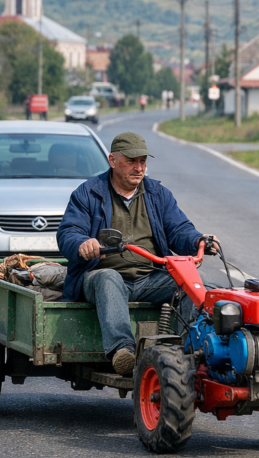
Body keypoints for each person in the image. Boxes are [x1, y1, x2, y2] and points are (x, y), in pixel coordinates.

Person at [57, 132, 217, 375]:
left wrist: (198, 240)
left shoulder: (157, 194)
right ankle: (123, 351)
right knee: (108, 278)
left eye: (142, 161)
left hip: (150, 278)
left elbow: (179, 229)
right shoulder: (88, 193)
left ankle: (187, 351)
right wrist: (82, 244)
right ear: (112, 160)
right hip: (99, 276)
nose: (138, 167)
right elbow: (69, 232)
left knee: (191, 282)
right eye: (131, 161)